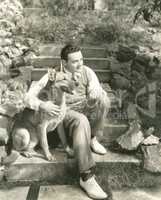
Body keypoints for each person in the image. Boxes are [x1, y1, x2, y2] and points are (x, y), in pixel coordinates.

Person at [24, 43, 110, 199]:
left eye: (81, 59)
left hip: (82, 106)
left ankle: (91, 138)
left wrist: (94, 93)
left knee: (104, 100)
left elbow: (96, 89)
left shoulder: (87, 72)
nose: (80, 64)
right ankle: (87, 177)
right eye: (75, 61)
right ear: (64, 63)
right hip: (63, 113)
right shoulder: (52, 75)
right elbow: (28, 97)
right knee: (81, 120)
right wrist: (42, 104)